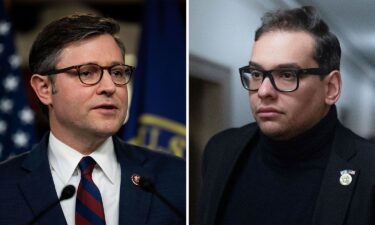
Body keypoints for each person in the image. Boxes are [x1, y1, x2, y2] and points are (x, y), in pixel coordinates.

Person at [0, 13, 185, 225]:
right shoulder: (4, 187)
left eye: (117, 72)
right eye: (87, 73)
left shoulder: (176, 180)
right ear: (44, 89)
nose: (110, 87)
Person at [199, 6, 375, 225]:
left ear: (331, 88)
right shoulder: (220, 150)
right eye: (256, 74)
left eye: (286, 75)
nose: (264, 91)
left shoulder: (369, 170)